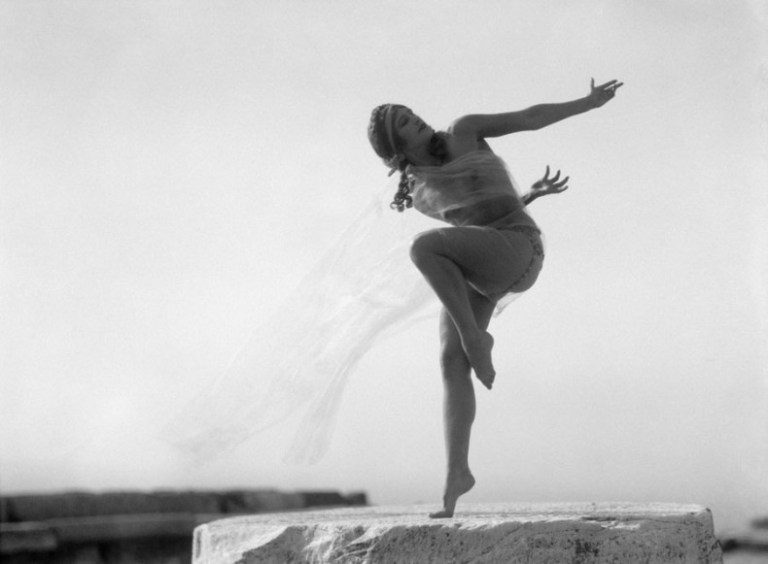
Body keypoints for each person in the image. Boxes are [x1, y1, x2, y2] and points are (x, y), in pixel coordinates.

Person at [367, 78, 623, 518]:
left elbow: (529, 118)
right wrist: (529, 194)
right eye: (406, 123)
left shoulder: (464, 130)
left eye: (412, 112)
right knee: (449, 361)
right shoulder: (418, 191)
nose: (417, 119)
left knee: (423, 248)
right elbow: (474, 218)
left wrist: (588, 102)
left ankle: (475, 337)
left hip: (519, 248)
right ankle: (456, 475)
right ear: (398, 149)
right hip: (482, 264)